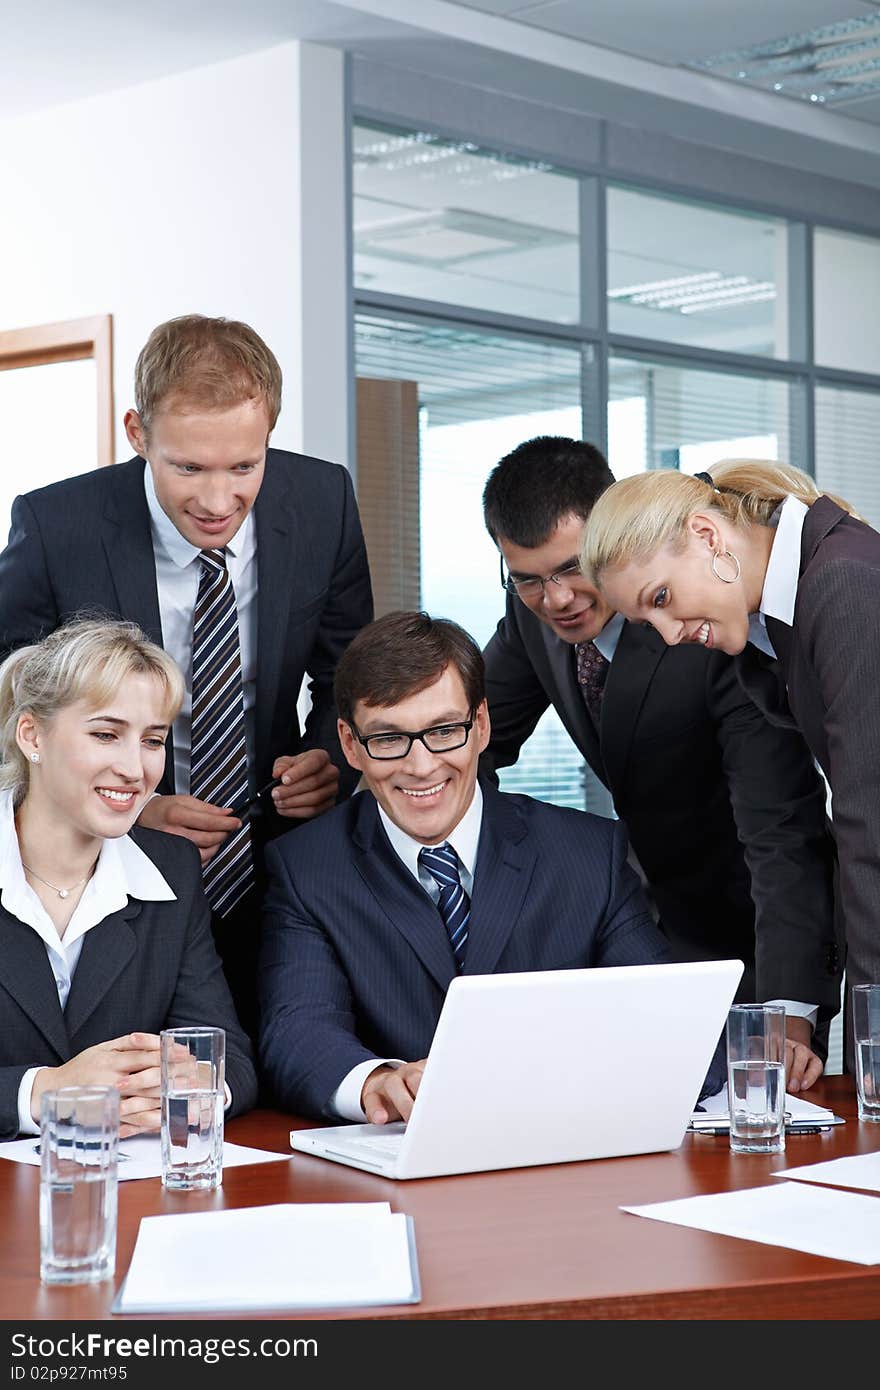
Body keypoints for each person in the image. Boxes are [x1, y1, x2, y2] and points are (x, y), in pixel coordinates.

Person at [0, 314, 374, 1031]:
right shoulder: (58, 525)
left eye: (244, 467)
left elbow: (348, 673)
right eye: (188, 468)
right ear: (138, 433)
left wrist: (329, 756)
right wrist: (128, 804)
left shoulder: (322, 502)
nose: (216, 501)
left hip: (277, 857)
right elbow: (12, 698)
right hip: (113, 873)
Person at [256, 609, 732, 1125]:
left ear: (481, 725)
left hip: (563, 1157)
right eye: (388, 739)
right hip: (397, 1168)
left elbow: (672, 1032)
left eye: (443, 731)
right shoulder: (306, 868)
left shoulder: (589, 854)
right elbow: (297, 1032)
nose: (421, 766)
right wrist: (377, 1081)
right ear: (351, 744)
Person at [481, 437, 839, 1086]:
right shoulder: (530, 616)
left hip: (755, 936)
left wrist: (790, 1006)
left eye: (570, 569)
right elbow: (471, 739)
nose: (556, 598)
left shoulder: (707, 618)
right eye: (529, 579)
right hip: (639, 946)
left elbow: (780, 825)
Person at [581, 459, 880, 1047]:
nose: (669, 635)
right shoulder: (774, 621)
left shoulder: (841, 584)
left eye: (661, 597)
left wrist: (874, 1046)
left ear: (707, 535)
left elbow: (872, 832)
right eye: (647, 619)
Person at [0, 618, 257, 1140]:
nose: (135, 769)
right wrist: (43, 1092)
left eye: (153, 740)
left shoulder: (172, 869)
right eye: (105, 735)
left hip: (132, 1192)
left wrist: (194, 1086)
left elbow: (232, 1060)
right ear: (33, 735)